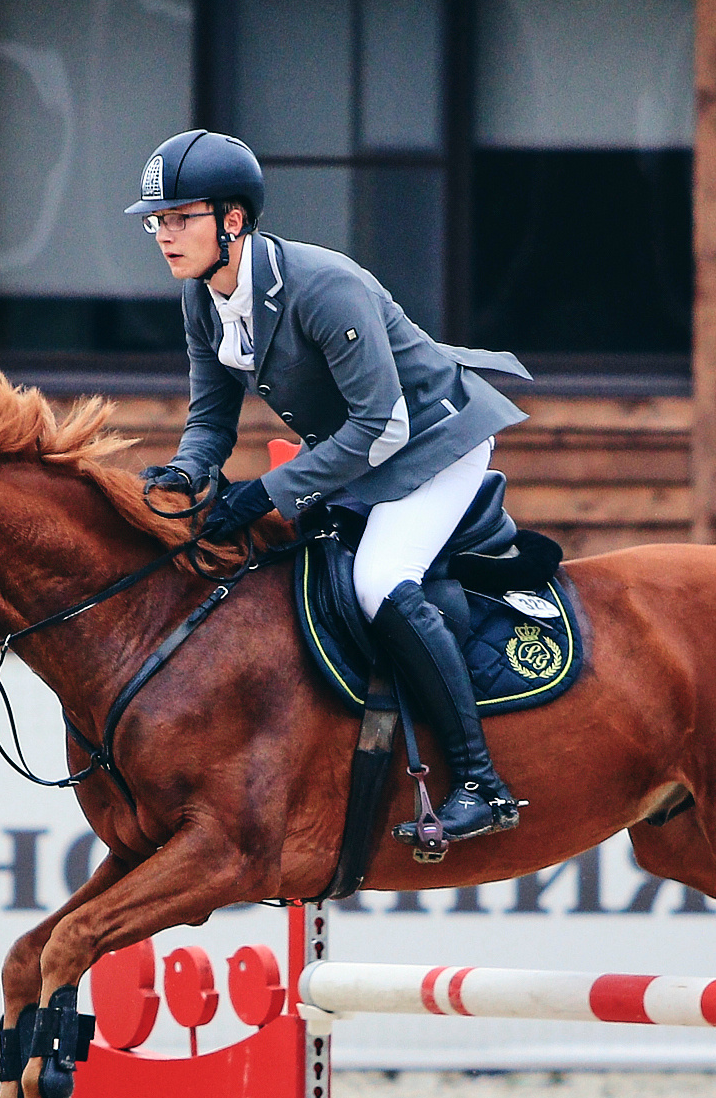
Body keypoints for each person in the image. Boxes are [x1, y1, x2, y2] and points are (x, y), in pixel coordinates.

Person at [127, 128, 535, 842]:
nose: (164, 234)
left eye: (181, 217)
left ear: (232, 219)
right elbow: (211, 416)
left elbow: (383, 427)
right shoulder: (201, 298)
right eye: (158, 220)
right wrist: (187, 472)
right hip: (364, 450)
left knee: (380, 580)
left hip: (435, 442)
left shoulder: (324, 287)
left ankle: (481, 782)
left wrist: (268, 493)